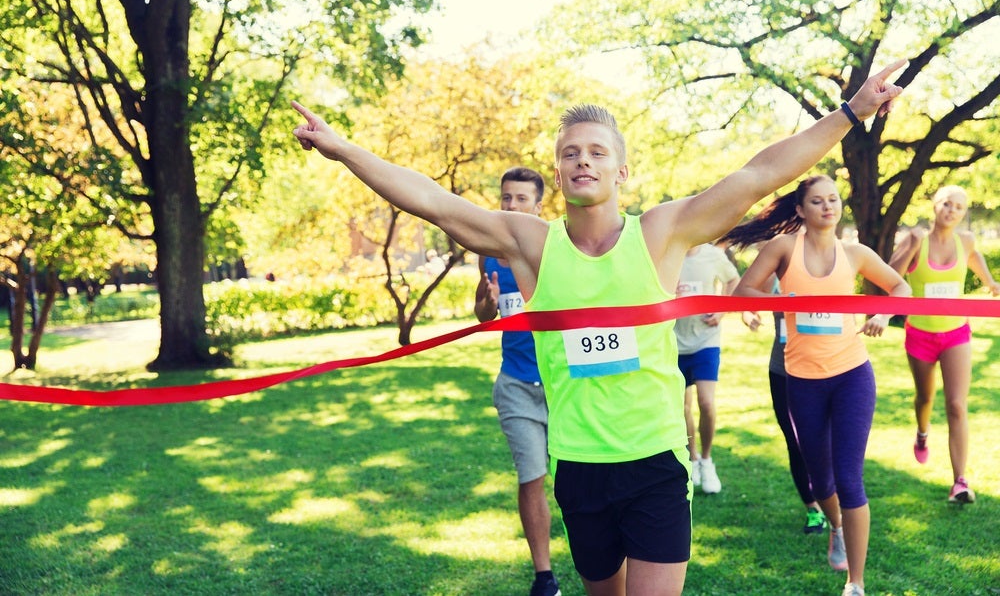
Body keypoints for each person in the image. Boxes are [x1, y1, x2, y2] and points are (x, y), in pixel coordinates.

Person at [291, 60, 905, 596]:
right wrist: (344, 148)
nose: (582, 160)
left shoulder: (660, 233)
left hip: (656, 461)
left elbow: (759, 174)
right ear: (557, 174)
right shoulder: (528, 243)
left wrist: (850, 112)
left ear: (622, 172)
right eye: (569, 153)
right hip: (580, 466)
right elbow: (432, 202)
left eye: (596, 152)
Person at [725, 175, 911, 596]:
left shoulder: (856, 253)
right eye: (817, 201)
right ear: (800, 210)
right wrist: (781, 304)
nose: (828, 207)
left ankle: (855, 583)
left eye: (833, 199)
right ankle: (836, 526)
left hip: (851, 375)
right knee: (819, 479)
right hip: (803, 381)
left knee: (849, 479)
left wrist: (883, 313)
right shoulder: (784, 249)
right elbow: (744, 290)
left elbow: (901, 286)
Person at [473, 166, 561, 596]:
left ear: (538, 206)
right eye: (506, 198)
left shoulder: (554, 248)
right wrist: (483, 303)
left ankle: (596, 560)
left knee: (579, 480)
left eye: (521, 199)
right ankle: (544, 576)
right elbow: (485, 315)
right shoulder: (488, 252)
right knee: (531, 476)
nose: (511, 206)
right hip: (515, 385)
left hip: (562, 386)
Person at [888, 184, 1000, 504]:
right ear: (934, 206)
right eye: (946, 204)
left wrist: (991, 283)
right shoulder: (916, 240)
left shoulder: (966, 241)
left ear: (964, 213)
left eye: (959, 207)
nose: (951, 211)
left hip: (956, 333)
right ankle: (922, 433)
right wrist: (909, 247)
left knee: (956, 404)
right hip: (920, 335)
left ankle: (960, 481)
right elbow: (890, 275)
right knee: (925, 397)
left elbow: (975, 258)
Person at [741, 276, 829, 534]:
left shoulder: (824, 267)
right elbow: (747, 298)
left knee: (824, 440)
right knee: (795, 440)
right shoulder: (775, 272)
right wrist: (748, 315)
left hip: (822, 368)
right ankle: (813, 508)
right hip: (782, 369)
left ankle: (835, 501)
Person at [674, 243, 739, 494]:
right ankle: (692, 459)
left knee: (706, 402)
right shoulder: (669, 252)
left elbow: (733, 281)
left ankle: (707, 460)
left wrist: (721, 311)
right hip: (674, 342)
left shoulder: (713, 255)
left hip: (705, 341)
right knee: (682, 408)